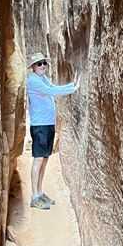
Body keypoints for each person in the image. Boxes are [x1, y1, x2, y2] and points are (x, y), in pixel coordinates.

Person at [25, 51, 81, 210]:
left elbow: (53, 87)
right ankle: (35, 196)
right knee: (38, 159)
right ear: (33, 67)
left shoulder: (42, 78)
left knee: (45, 159)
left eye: (44, 63)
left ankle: (40, 192)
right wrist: (73, 89)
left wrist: (72, 85)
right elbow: (51, 92)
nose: (43, 66)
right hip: (40, 125)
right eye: (39, 64)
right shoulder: (33, 80)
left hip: (48, 124)